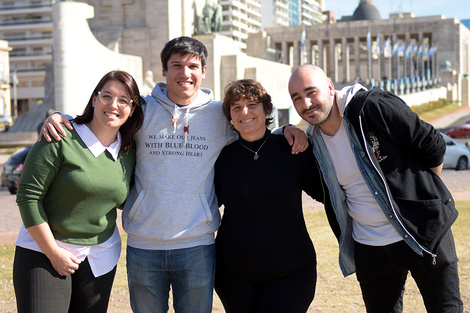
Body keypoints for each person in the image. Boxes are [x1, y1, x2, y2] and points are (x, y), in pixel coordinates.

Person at [38, 36, 308, 313]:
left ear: (204, 71)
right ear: (164, 71)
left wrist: (286, 130)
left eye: (192, 66)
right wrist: (61, 117)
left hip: (197, 245)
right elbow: (105, 115)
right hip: (144, 245)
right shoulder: (140, 109)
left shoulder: (219, 115)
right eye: (176, 65)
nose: (185, 73)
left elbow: (251, 126)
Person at [288, 64, 463, 313]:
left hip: (422, 235)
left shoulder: (371, 107)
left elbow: (433, 145)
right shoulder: (314, 142)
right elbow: (323, 191)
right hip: (370, 249)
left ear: (329, 87)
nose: (306, 103)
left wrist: (422, 204)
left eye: (311, 92)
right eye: (297, 99)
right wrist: (286, 129)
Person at [13, 70, 145, 313]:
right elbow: (28, 198)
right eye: (106, 96)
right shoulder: (59, 135)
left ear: (133, 108)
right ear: (94, 99)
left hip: (99, 257)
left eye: (124, 100)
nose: (113, 105)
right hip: (44, 250)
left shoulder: (129, 150)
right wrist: (53, 252)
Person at [214, 79, 324, 313]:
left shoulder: (294, 148)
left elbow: (326, 193)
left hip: (292, 273)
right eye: (236, 107)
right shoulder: (222, 159)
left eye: (252, 104)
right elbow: (206, 204)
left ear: (266, 109)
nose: (244, 112)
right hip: (233, 277)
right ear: (230, 117)